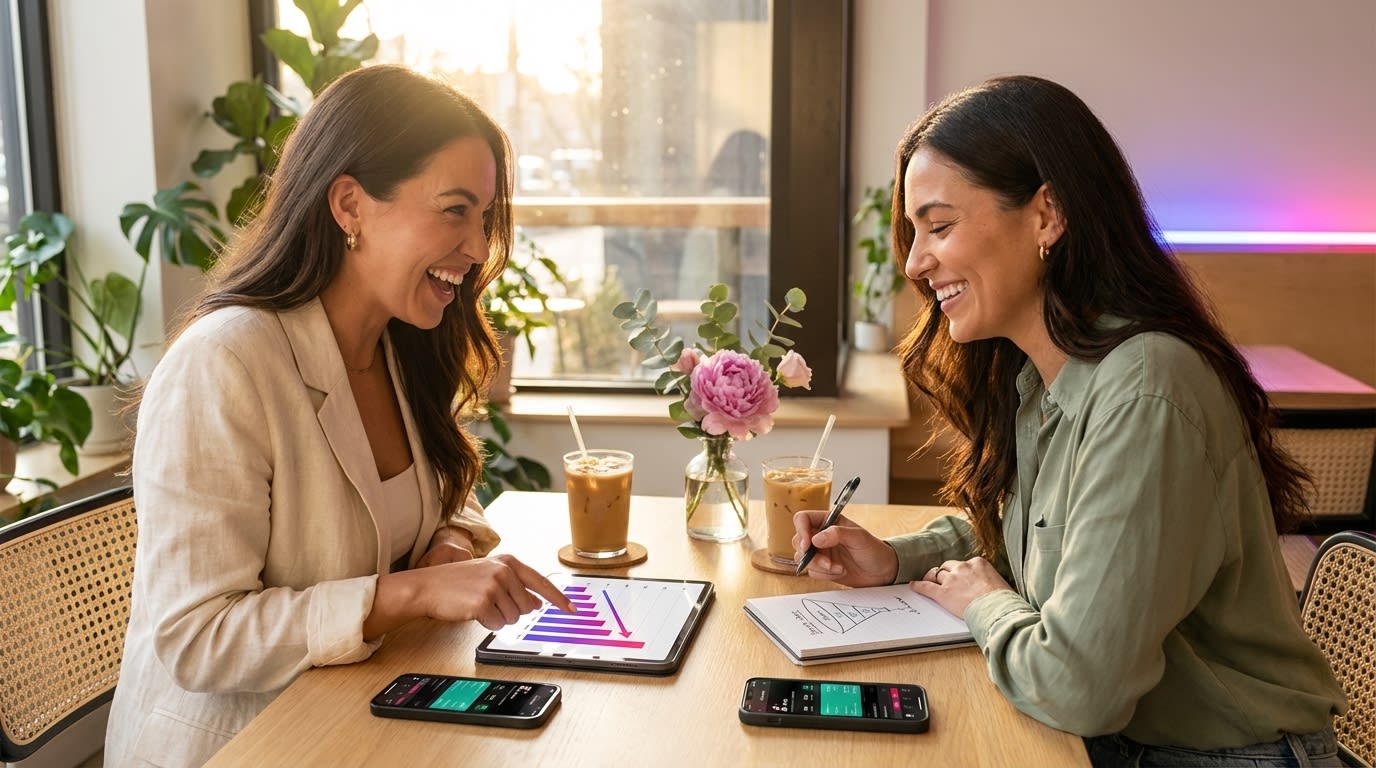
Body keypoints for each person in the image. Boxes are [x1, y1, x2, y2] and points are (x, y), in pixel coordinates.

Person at [793, 75, 1346, 766]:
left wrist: (984, 602)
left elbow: (1077, 689)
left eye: (939, 226)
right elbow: (1040, 531)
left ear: (1046, 215)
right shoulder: (1041, 379)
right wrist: (896, 558)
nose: (914, 261)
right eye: (914, 232)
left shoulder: (1145, 391)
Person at [105, 64, 574, 767]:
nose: (479, 248)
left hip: (363, 716)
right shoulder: (224, 363)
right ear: (350, 205)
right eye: (455, 211)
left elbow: (446, 500)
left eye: (483, 217)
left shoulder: (398, 345)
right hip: (243, 746)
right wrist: (413, 592)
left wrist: (448, 549)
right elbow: (199, 638)